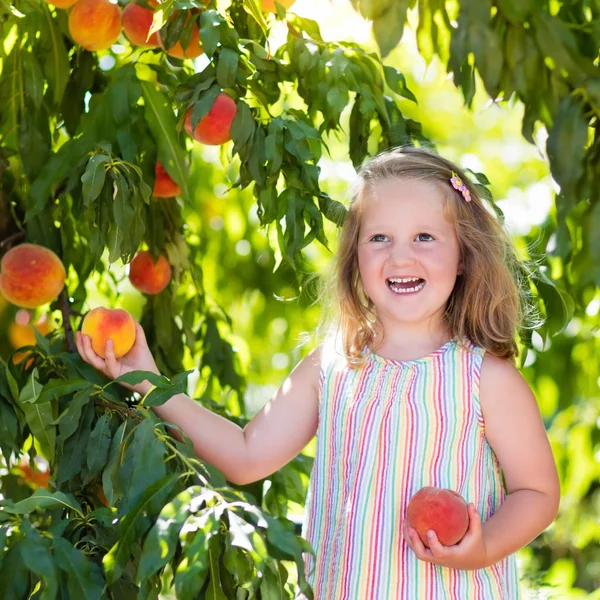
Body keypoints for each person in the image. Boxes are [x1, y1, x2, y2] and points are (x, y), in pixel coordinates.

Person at [76, 146, 560, 599]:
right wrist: (147, 380)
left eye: (425, 237)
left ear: (463, 256)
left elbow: (537, 493)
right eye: (379, 238)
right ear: (356, 258)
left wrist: (484, 547)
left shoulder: (484, 379)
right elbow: (247, 456)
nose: (401, 256)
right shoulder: (334, 364)